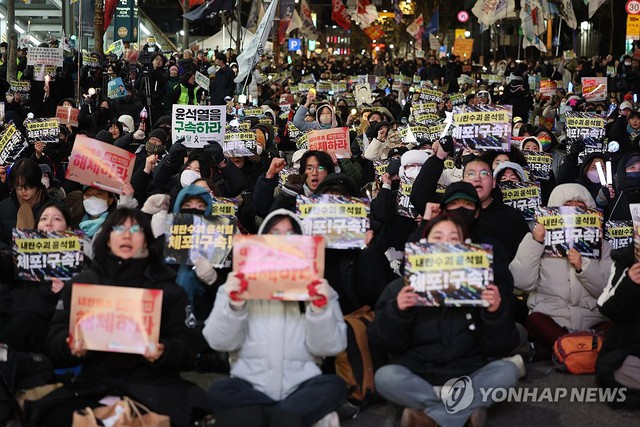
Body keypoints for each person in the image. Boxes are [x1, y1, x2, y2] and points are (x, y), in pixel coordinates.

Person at [33, 208, 209, 426]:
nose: (127, 235)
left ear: (146, 241)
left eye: (135, 230)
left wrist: (164, 350)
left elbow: (189, 346)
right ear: (107, 240)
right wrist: (71, 345)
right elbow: (55, 339)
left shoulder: (168, 289)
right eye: (119, 229)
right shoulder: (83, 285)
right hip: (94, 383)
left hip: (153, 385)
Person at [369, 214, 520, 427]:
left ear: (466, 246)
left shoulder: (481, 287)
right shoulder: (401, 288)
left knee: (507, 371)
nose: (445, 245)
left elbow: (502, 345)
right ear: (424, 245)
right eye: (437, 237)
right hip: (419, 374)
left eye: (453, 239)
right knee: (385, 377)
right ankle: (463, 411)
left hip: (469, 372)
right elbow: (381, 340)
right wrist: (398, 310)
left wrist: (495, 312)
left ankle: (429, 417)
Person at [203, 209, 347, 426]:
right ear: (263, 240)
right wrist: (235, 305)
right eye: (275, 233)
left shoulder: (319, 288)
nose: (283, 240)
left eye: (290, 234)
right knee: (219, 390)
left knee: (335, 386)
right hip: (250, 386)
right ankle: (286, 417)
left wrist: (319, 308)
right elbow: (218, 342)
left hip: (302, 387)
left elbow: (330, 348)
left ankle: (266, 416)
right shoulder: (236, 285)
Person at [509, 184, 612, 359]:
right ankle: (584, 350)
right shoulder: (538, 241)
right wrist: (534, 242)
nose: (573, 213)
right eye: (567, 207)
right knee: (534, 321)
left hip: (592, 319)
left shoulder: (602, 246)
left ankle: (564, 350)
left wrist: (583, 266)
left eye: (579, 207)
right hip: (552, 318)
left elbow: (607, 291)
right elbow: (521, 282)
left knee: (615, 328)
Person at [0, 201, 70, 352]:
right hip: (14, 315)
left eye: (57, 219)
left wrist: (67, 290)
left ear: (68, 229)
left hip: (48, 328)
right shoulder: (21, 256)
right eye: (44, 219)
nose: (49, 224)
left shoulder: (79, 263)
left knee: (26, 320)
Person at [596, 244, 640, 409]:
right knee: (613, 370)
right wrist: (629, 282)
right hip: (632, 350)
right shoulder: (626, 259)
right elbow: (607, 307)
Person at [0, 158, 50, 249]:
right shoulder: (4, 207)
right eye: (18, 187)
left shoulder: (53, 208)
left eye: (28, 186)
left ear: (37, 183)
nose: (23, 191)